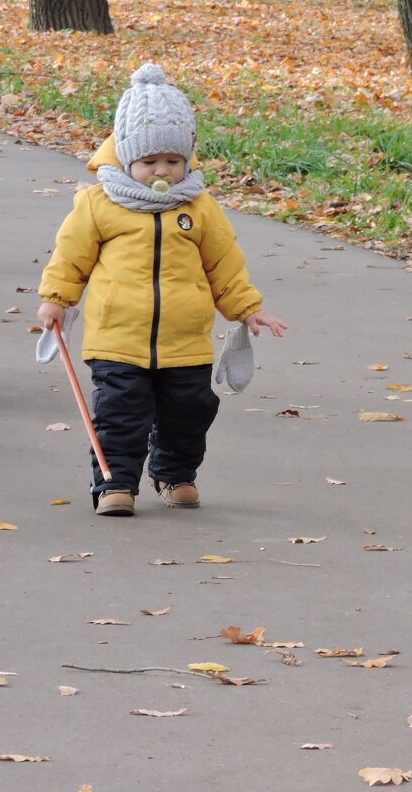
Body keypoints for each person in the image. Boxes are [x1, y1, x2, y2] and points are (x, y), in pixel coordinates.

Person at [37, 63, 287, 517]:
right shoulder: (99, 204)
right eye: (150, 161)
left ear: (187, 159)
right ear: (127, 158)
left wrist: (248, 309)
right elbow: (70, 256)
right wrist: (56, 299)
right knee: (120, 414)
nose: (163, 171)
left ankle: (175, 474)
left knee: (190, 412)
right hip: (117, 337)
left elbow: (223, 264)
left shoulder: (199, 208)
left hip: (185, 340)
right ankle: (115, 485)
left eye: (173, 161)